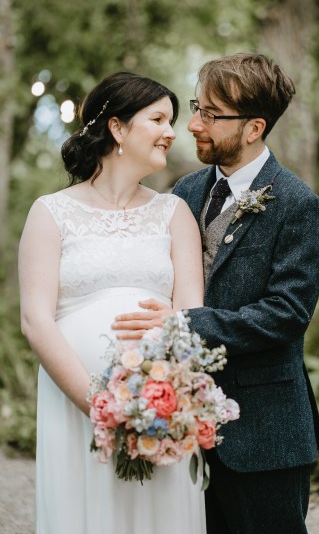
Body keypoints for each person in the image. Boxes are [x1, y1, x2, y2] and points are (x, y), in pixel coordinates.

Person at [111, 53, 319, 534]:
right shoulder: (184, 192)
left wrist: (183, 322)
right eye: (197, 107)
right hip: (181, 428)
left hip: (266, 435)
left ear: (254, 128)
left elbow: (286, 314)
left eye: (211, 114)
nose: (192, 124)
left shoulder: (299, 206)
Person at [18, 72, 207, 534]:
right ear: (117, 129)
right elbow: (35, 321)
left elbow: (190, 313)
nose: (171, 131)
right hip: (76, 405)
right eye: (159, 118)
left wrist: (163, 402)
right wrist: (100, 405)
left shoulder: (175, 212)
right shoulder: (51, 212)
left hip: (160, 409)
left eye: (173, 120)